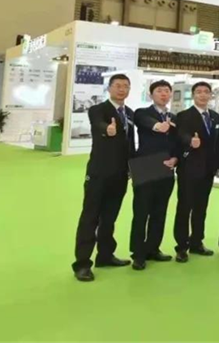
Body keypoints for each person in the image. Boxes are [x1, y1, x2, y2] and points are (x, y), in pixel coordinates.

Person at [72, 74, 135, 281]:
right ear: (109, 88)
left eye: (126, 86)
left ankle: (105, 255)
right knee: (90, 217)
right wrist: (107, 129)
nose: (122, 89)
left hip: (120, 175)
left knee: (110, 217)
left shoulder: (129, 113)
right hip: (99, 173)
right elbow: (99, 124)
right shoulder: (98, 110)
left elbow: (130, 144)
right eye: (118, 86)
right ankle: (82, 264)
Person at [130, 80, 178, 271]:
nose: (163, 94)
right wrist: (159, 126)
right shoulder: (142, 112)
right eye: (159, 91)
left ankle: (153, 248)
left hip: (166, 167)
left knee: (160, 212)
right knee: (141, 212)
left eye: (167, 91)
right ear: (151, 95)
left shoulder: (174, 117)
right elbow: (147, 123)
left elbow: (177, 142)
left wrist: (175, 158)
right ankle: (138, 253)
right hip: (145, 166)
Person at [173, 81, 219, 263]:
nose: (203, 95)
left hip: (208, 170)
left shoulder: (215, 117)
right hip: (189, 168)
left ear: (210, 95)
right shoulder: (184, 115)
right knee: (184, 208)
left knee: (201, 208)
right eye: (199, 92)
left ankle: (197, 242)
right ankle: (181, 247)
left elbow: (217, 143)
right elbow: (180, 135)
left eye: (206, 92)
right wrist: (190, 141)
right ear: (193, 95)